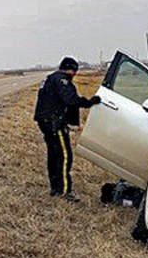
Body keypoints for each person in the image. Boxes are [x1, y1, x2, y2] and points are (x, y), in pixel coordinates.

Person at [34, 57, 100, 202]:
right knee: (64, 155)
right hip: (54, 122)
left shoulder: (50, 78)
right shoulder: (61, 80)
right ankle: (64, 191)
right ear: (70, 69)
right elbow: (70, 99)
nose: (74, 74)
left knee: (53, 154)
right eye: (74, 71)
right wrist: (89, 102)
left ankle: (55, 188)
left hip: (45, 121)